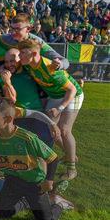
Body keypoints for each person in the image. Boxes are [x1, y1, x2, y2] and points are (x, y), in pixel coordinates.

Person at [0, 98, 72, 220]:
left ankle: (59, 204)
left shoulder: (27, 138)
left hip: (34, 184)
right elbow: (1, 160)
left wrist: (48, 181)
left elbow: (53, 158)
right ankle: (23, 203)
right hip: (12, 182)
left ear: (8, 119)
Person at [18, 39, 83, 181]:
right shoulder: (28, 64)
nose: (19, 56)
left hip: (72, 94)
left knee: (65, 130)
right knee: (50, 128)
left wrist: (60, 108)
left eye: (23, 53)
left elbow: (71, 90)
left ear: (34, 53)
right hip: (55, 95)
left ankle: (72, 169)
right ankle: (69, 153)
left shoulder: (50, 68)